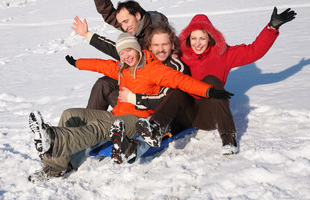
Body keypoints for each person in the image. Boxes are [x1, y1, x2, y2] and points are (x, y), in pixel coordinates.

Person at [28, 32, 232, 182]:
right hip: (118, 114)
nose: (126, 55)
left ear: (137, 49)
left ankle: (54, 139)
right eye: (122, 52)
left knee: (99, 128)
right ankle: (55, 167)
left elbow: (180, 81)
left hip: (138, 120)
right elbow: (101, 64)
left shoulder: (154, 69)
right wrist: (78, 63)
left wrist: (209, 91)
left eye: (129, 51)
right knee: (70, 114)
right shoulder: (122, 69)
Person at [132, 7, 296, 155]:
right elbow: (157, 50)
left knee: (212, 81)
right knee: (178, 91)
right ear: (188, 39)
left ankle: (229, 139)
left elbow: (254, 51)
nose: (197, 43)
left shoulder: (224, 54)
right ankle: (154, 128)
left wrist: (272, 28)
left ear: (210, 38)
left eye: (202, 38)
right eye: (194, 38)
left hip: (209, 115)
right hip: (185, 113)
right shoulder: (182, 54)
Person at [83, 0, 175, 110]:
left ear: (137, 15)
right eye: (122, 23)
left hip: (149, 86)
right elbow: (110, 15)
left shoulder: (158, 32)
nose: (124, 27)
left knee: (116, 96)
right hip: (134, 74)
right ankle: (86, 127)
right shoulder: (134, 27)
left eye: (126, 22)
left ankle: (120, 126)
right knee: (103, 84)